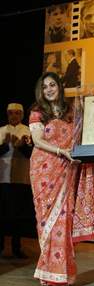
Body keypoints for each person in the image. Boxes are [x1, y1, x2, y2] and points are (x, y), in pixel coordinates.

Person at [29, 72, 94, 286]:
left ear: (59, 86)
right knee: (46, 219)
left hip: (67, 169)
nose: (49, 89)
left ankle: (61, 273)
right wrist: (61, 151)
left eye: (52, 85)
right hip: (44, 170)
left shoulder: (71, 111)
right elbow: (37, 141)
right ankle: (49, 271)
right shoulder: (37, 112)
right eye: (44, 87)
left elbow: (83, 136)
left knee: (63, 219)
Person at [0, 103, 32, 259]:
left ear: (22, 115)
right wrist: (5, 146)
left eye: (17, 113)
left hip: (21, 179)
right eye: (11, 113)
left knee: (18, 216)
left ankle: (16, 247)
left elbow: (31, 154)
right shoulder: (0, 131)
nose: (14, 116)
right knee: (1, 215)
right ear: (7, 114)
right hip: (2, 179)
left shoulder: (28, 131)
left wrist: (20, 146)